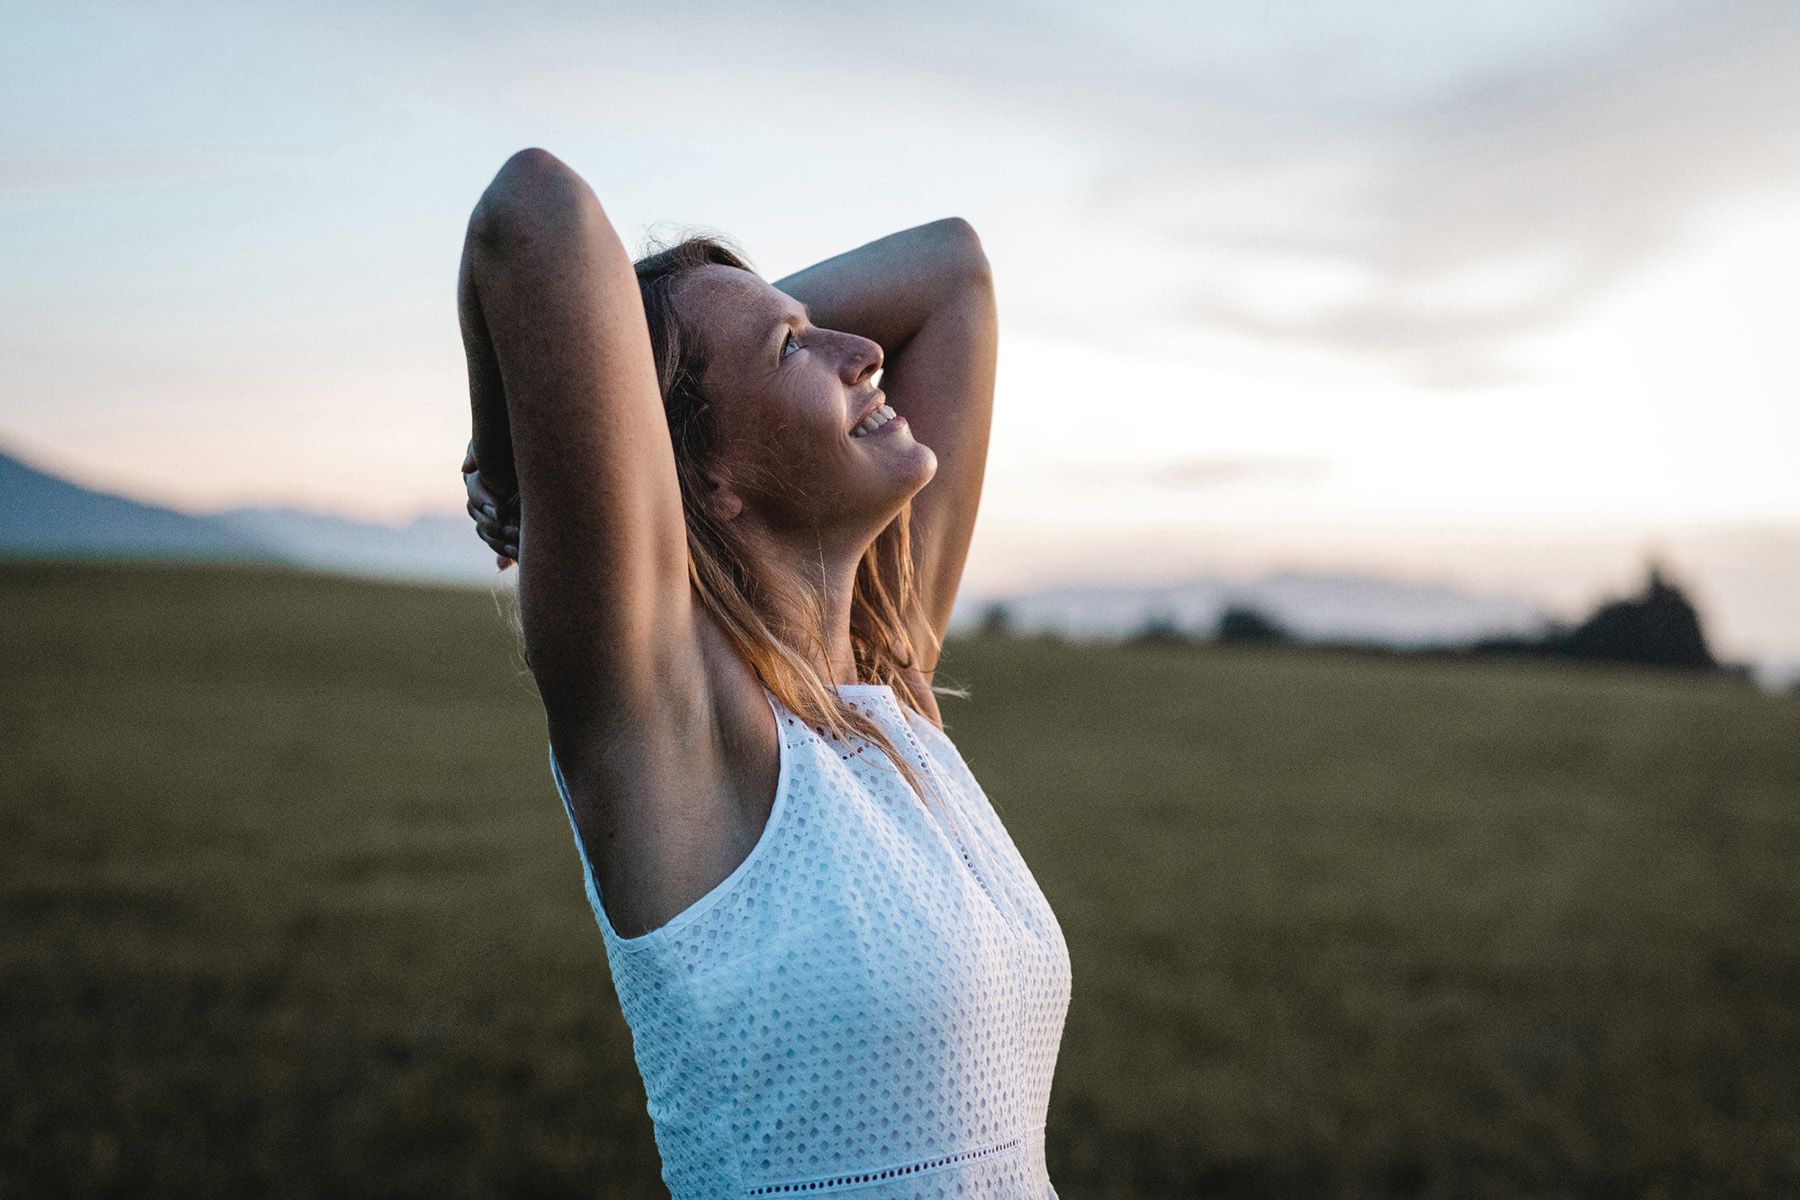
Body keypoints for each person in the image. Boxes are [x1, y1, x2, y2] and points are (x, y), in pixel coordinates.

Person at [456, 147, 1071, 1197]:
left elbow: (951, 270)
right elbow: (535, 212)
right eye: (795, 347)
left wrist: (697, 360)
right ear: (705, 473)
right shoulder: (680, 732)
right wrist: (517, 446)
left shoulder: (891, 681)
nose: (864, 350)